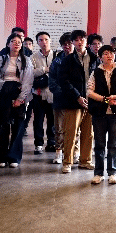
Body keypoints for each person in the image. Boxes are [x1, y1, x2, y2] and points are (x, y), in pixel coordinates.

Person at [87, 45, 116, 184]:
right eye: (105, 53)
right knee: (99, 144)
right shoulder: (95, 72)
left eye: (111, 53)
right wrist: (105, 100)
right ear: (100, 57)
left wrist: (113, 98)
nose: (109, 55)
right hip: (99, 112)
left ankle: (113, 172)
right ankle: (98, 173)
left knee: (113, 144)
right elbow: (89, 92)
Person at [57, 30, 97, 173]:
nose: (80, 42)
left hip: (91, 101)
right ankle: (67, 162)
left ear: (86, 41)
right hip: (74, 101)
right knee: (71, 132)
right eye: (76, 40)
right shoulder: (68, 59)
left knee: (89, 133)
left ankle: (85, 161)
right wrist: (77, 96)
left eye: (82, 39)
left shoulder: (94, 58)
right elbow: (63, 81)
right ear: (73, 42)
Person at [0, 33, 33, 168]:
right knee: (3, 126)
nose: (16, 44)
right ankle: (2, 157)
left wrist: (20, 99)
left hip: (19, 92)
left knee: (18, 126)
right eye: (13, 41)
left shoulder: (26, 60)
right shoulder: (1, 59)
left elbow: (28, 81)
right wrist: (4, 87)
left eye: (19, 42)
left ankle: (14, 157)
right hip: (4, 93)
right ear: (8, 44)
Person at [48, 32, 79, 164]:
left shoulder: (79, 59)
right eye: (64, 44)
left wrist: (73, 93)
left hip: (75, 98)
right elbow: (52, 78)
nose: (67, 46)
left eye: (70, 43)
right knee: (59, 127)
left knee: (75, 128)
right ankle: (58, 152)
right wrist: (60, 91)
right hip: (59, 98)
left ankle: (74, 152)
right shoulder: (57, 59)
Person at [31, 32, 56, 154]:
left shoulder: (56, 55)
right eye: (41, 40)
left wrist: (40, 71)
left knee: (52, 120)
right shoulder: (33, 57)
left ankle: (52, 142)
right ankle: (38, 144)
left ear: (50, 40)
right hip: (38, 93)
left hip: (52, 94)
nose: (44, 42)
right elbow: (31, 73)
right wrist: (44, 69)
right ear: (37, 42)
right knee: (38, 120)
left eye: (46, 39)